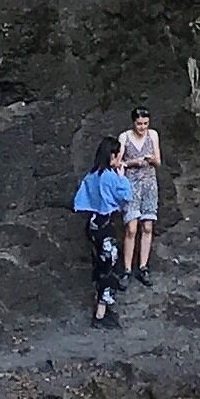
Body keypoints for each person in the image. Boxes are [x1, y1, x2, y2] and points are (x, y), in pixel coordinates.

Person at [72, 152, 132, 325]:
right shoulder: (109, 177)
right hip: (105, 225)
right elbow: (126, 196)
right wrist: (121, 177)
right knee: (108, 265)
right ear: (112, 156)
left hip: (93, 224)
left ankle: (101, 310)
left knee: (100, 265)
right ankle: (101, 312)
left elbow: (82, 198)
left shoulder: (92, 175)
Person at [116, 106, 162, 280]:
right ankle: (127, 268)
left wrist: (151, 160)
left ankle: (143, 265)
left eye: (145, 124)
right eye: (139, 124)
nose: (142, 127)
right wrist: (132, 162)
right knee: (131, 228)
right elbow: (118, 162)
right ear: (133, 123)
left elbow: (158, 161)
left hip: (149, 183)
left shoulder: (153, 135)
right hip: (131, 184)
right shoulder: (125, 137)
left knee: (148, 226)